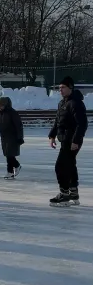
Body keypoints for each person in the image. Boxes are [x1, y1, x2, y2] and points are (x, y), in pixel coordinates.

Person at [48, 76, 88, 207]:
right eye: (59, 88)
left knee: (60, 166)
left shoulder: (76, 103)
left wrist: (76, 141)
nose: (60, 90)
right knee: (70, 165)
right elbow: (58, 121)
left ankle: (64, 194)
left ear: (70, 87)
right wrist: (52, 136)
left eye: (63, 87)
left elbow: (82, 124)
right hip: (64, 139)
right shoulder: (62, 103)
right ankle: (73, 192)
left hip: (72, 140)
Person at [0, 96, 24, 179]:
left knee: (9, 154)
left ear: (6, 105)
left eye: (1, 106)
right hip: (4, 136)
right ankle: (13, 169)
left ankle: (12, 169)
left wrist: (20, 137)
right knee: (7, 154)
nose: (0, 107)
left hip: (12, 136)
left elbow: (19, 126)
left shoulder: (12, 112)